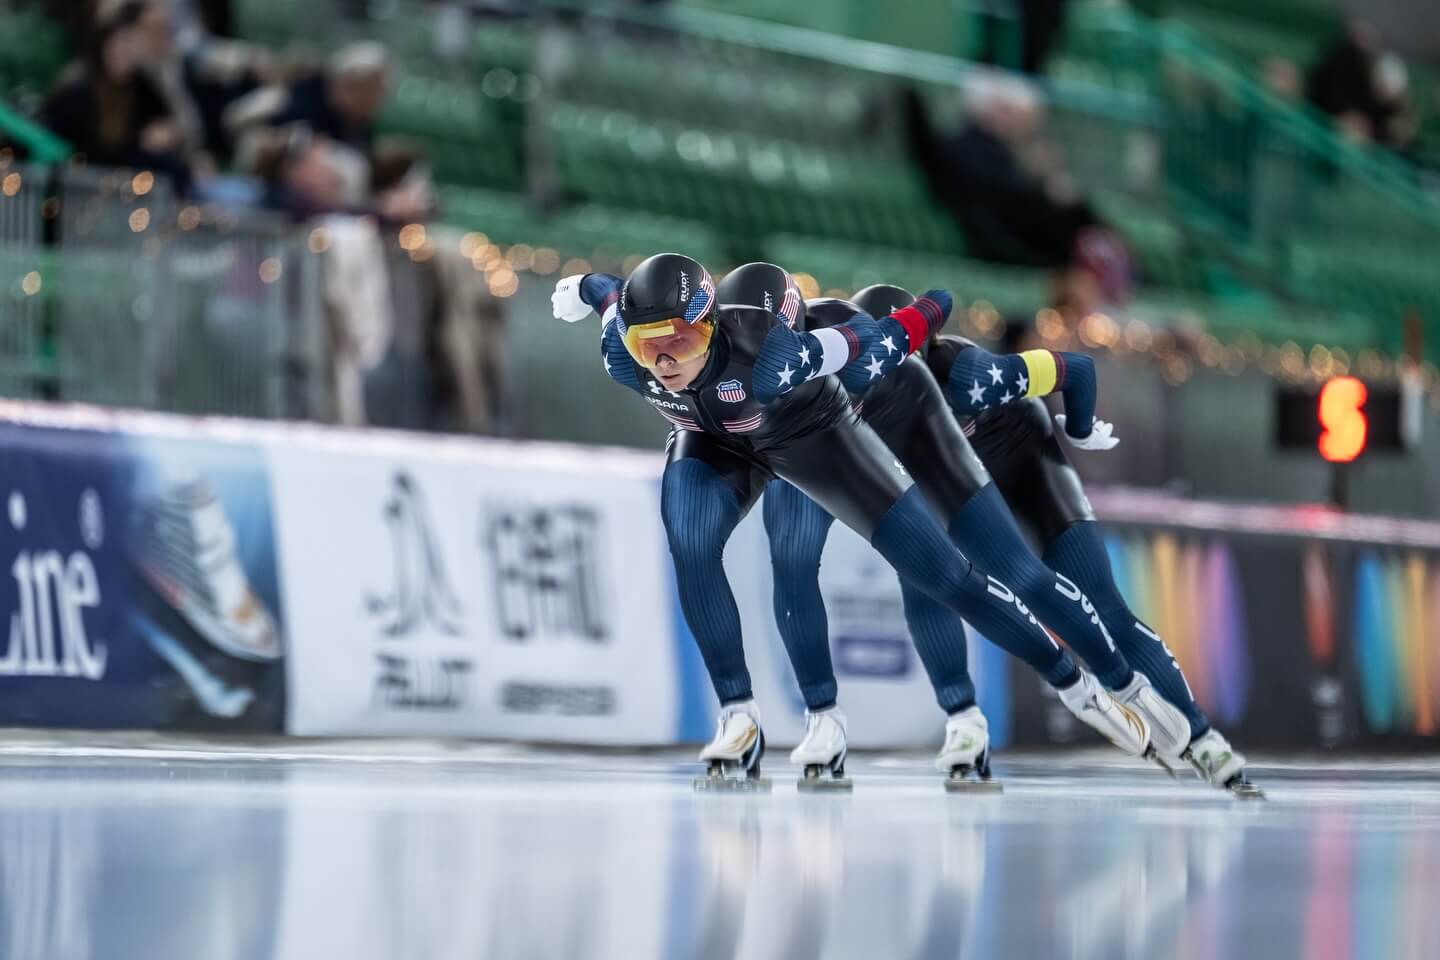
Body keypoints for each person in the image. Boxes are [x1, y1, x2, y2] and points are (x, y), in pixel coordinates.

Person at [553, 254, 1151, 789]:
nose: (662, 363)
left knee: (942, 576)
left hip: (807, 435)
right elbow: (609, 297)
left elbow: (883, 343)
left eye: (678, 345)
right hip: (714, 441)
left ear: (712, 326)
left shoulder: (776, 356)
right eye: (646, 346)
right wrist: (584, 285)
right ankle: (745, 714)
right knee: (696, 539)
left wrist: (928, 313)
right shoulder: (622, 358)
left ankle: (1070, 683)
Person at [716, 264, 1191, 788]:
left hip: (915, 435)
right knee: (792, 562)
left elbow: (1048, 357)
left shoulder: (958, 374)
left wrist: (1077, 429)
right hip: (819, 438)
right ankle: (833, 719)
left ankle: (1106, 687)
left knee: (974, 576)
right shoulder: (778, 358)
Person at [857, 282, 1254, 796]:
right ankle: (964, 723)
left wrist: (1081, 428)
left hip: (1026, 465)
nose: (876, 376)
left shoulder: (974, 376)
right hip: (957, 480)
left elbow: (1079, 370)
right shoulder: (858, 394)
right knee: (922, 578)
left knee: (1104, 607)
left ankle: (1201, 736)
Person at [41, 0, 193, 190]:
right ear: (102, 47)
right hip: (85, 187)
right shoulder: (77, 90)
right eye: (117, 46)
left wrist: (168, 134)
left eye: (129, 46)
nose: (123, 54)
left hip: (127, 184)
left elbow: (169, 125)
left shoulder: (140, 85)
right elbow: (77, 149)